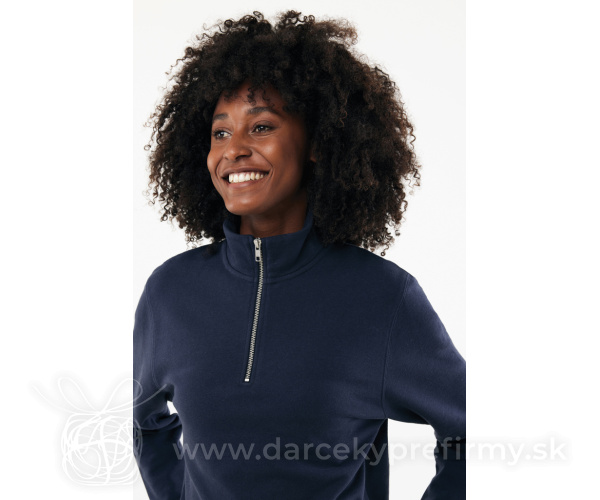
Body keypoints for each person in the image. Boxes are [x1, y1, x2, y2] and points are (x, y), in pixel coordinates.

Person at [133, 10, 466, 500]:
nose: (234, 149)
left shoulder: (381, 297)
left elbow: (466, 429)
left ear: (316, 143)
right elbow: (147, 425)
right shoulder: (171, 292)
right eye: (220, 133)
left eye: (261, 127)